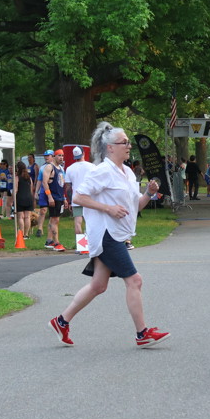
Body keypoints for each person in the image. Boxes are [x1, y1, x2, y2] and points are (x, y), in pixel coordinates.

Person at [50, 121, 168, 348]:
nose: (129, 146)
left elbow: (135, 207)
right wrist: (108, 208)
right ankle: (142, 333)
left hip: (117, 234)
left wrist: (148, 193)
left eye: (129, 142)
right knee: (135, 280)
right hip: (106, 235)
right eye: (124, 142)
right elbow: (78, 197)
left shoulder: (128, 173)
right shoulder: (102, 171)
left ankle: (61, 321)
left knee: (98, 285)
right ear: (110, 147)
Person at [63, 146, 94, 245]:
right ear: (83, 153)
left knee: (77, 223)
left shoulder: (69, 169)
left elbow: (68, 187)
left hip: (76, 199)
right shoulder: (92, 166)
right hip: (90, 198)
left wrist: (70, 201)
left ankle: (81, 246)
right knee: (90, 222)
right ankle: (91, 244)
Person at [37, 149, 67, 251]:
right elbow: (44, 182)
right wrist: (49, 197)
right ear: (54, 156)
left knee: (54, 219)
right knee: (55, 220)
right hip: (53, 197)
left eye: (62, 156)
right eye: (59, 156)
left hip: (59, 197)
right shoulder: (49, 167)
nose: (61, 158)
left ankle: (49, 241)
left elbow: (61, 184)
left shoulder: (61, 168)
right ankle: (57, 243)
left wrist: (64, 198)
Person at [14, 160, 35, 241]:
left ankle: (21, 234)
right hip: (29, 198)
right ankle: (26, 234)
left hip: (20, 197)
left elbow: (15, 189)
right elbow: (31, 189)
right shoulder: (29, 178)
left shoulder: (17, 178)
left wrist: (13, 198)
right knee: (27, 217)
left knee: (20, 217)